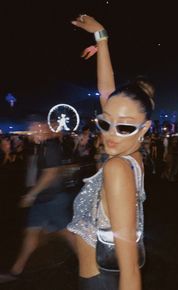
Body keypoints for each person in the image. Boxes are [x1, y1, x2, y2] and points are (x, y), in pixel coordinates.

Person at [67, 14, 155, 290]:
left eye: (125, 127)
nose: (110, 134)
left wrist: (103, 38)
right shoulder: (130, 158)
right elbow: (108, 95)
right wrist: (102, 38)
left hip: (101, 282)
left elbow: (130, 271)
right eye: (105, 123)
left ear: (144, 128)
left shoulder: (118, 168)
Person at [0, 122, 76, 283]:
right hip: (43, 199)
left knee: (67, 233)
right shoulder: (41, 147)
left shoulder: (51, 147)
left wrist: (31, 194)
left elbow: (50, 173)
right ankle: (16, 271)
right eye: (32, 130)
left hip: (53, 200)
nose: (32, 133)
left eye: (36, 130)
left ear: (45, 131)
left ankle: (89, 262)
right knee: (32, 233)